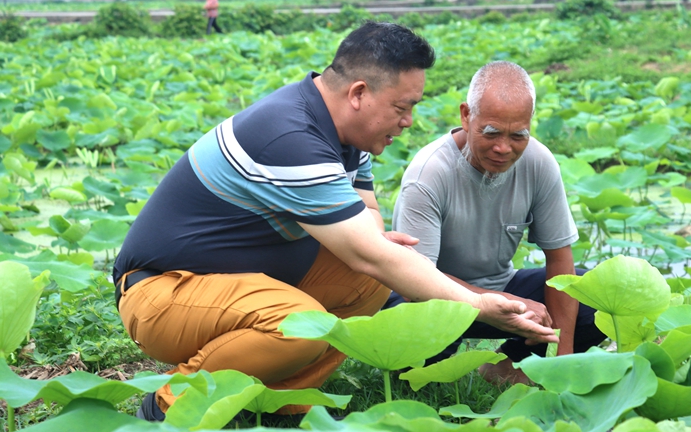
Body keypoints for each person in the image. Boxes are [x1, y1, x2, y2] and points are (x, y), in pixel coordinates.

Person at [113, 23, 559, 421]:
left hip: (234, 284)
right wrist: (477, 304)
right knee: (301, 324)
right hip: (160, 293)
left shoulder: (347, 136)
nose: (408, 122)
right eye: (402, 107)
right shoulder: (291, 136)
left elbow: (369, 225)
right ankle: (169, 404)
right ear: (359, 93)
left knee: (370, 282)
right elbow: (369, 252)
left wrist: (377, 246)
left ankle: (278, 400)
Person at [388, 60, 605, 385]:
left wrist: (563, 358)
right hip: (430, 298)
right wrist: (495, 304)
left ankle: (505, 366)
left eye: (518, 135)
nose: (503, 148)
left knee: (590, 293)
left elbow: (560, 260)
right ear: (466, 115)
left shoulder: (539, 162)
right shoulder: (428, 175)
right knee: (418, 367)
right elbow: (415, 282)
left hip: (501, 288)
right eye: (491, 133)